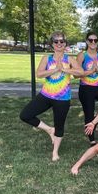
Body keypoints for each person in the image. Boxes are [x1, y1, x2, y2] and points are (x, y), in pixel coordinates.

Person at [19, 31, 83, 161]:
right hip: (46, 95)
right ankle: (49, 130)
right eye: (56, 41)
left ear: (65, 44)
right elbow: (39, 74)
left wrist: (66, 69)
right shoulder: (46, 58)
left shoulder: (69, 59)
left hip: (63, 98)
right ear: (52, 44)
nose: (59, 43)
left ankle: (55, 152)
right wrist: (55, 69)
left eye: (62, 41)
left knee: (59, 125)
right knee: (25, 115)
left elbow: (81, 72)